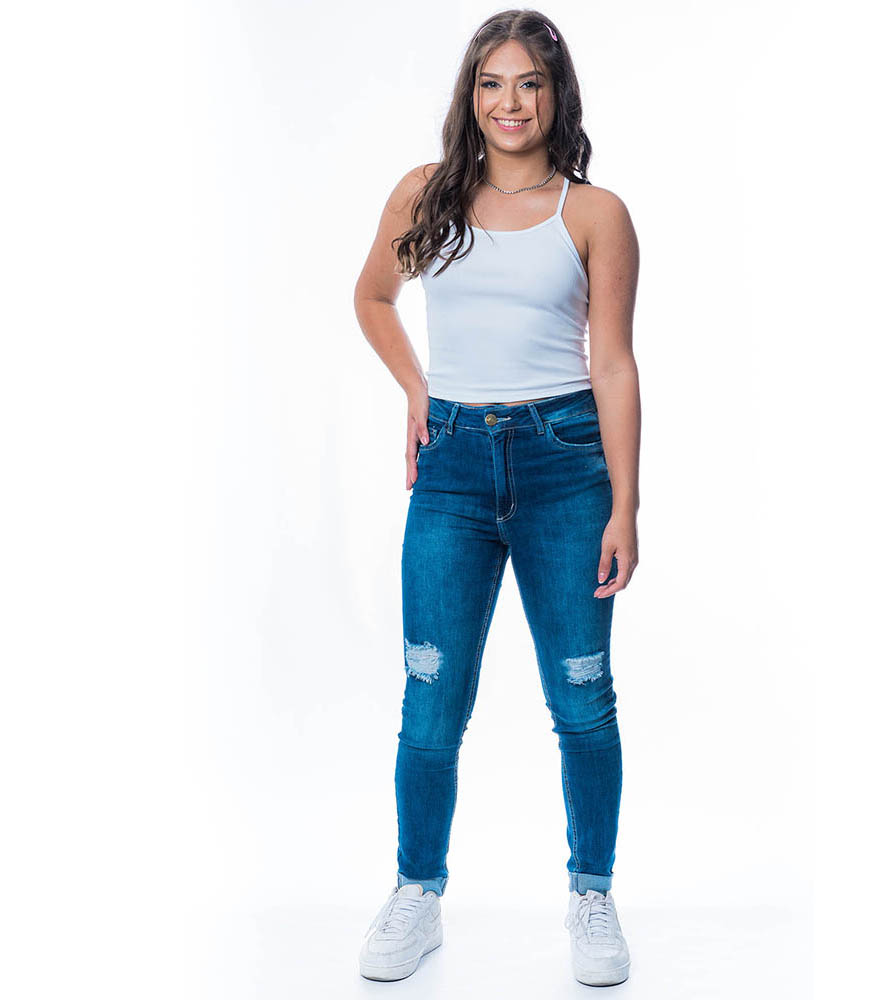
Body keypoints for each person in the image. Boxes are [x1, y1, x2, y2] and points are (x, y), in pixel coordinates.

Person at [353, 9, 640, 987]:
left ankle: (592, 892)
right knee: (431, 693)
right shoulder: (425, 193)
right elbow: (372, 297)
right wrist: (417, 389)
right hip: (453, 467)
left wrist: (625, 504)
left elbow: (612, 364)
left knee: (582, 695)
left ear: (556, 95)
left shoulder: (593, 213)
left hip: (566, 467)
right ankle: (416, 891)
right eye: (491, 82)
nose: (509, 102)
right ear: (469, 94)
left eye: (529, 83)